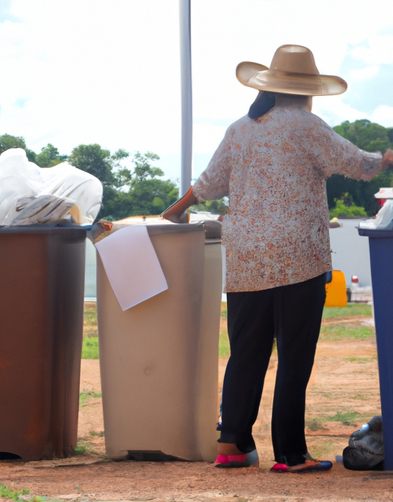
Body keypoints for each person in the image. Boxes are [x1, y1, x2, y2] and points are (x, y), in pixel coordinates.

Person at [163, 44, 393, 473]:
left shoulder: (239, 128)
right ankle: (290, 453)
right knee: (294, 354)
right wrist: (384, 159)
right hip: (297, 258)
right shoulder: (307, 125)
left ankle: (232, 444)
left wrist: (176, 209)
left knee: (246, 352)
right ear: (307, 91)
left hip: (247, 257)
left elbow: (209, 183)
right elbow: (355, 162)